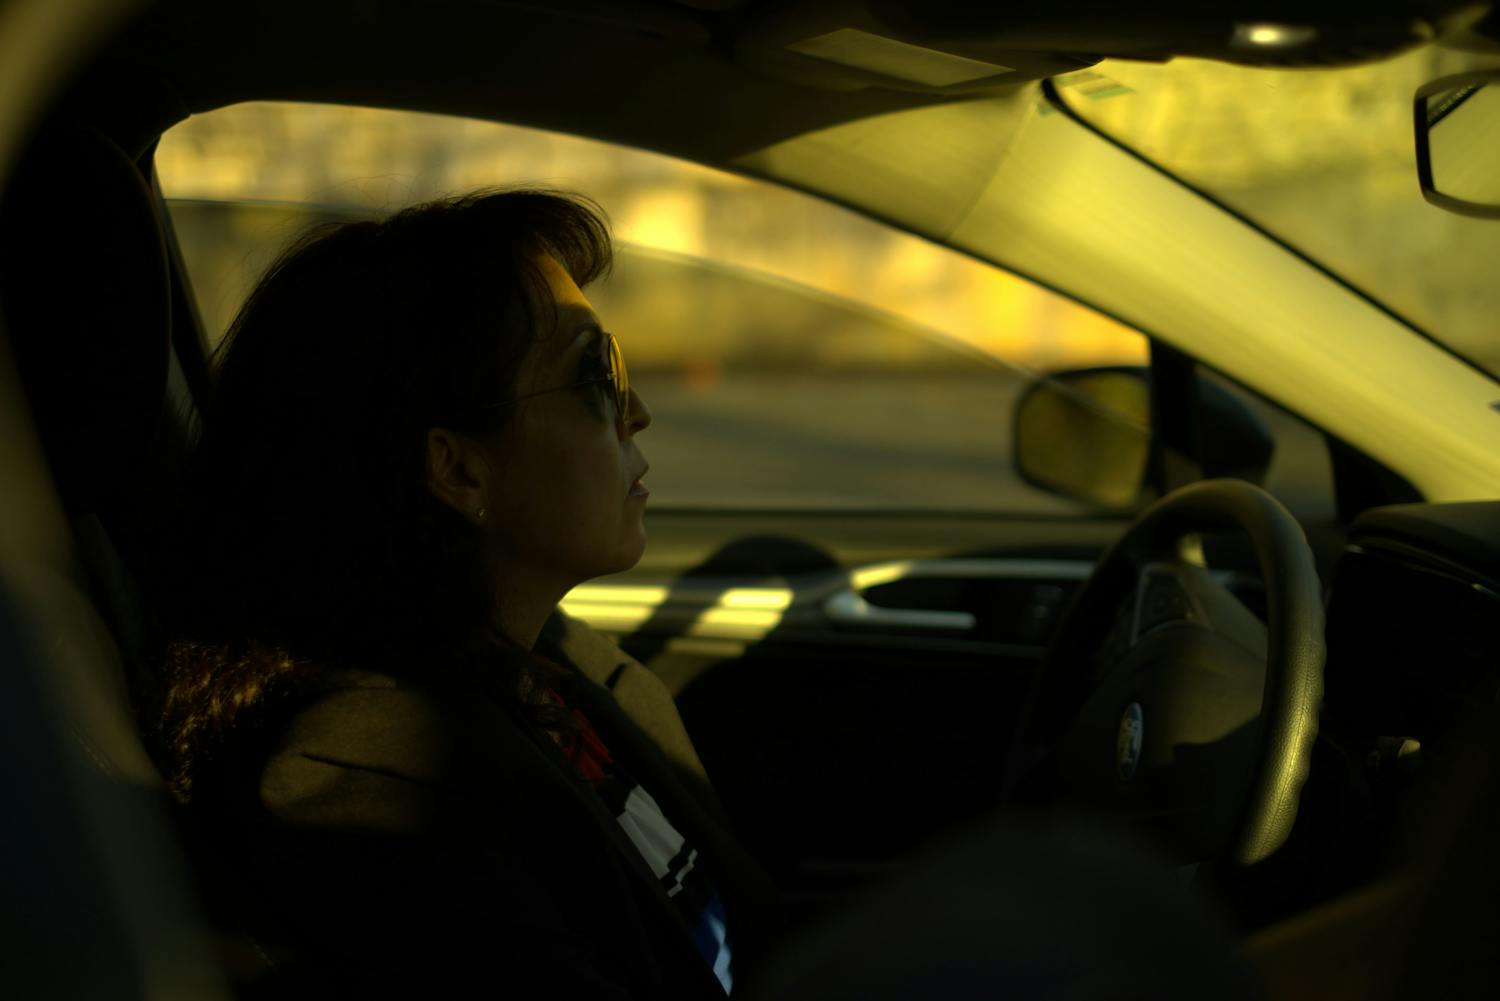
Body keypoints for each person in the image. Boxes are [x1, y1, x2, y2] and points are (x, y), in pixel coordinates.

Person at [146, 188, 782, 999]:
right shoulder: (374, 783)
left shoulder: (550, 664)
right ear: (457, 468)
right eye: (597, 375)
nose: (640, 411)